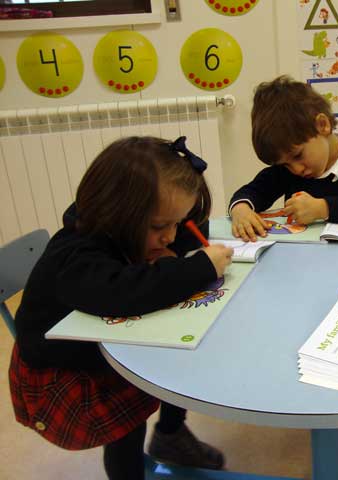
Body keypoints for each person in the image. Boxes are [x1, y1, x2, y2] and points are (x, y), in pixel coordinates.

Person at [9, 136, 234, 480]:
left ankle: (170, 435)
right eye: (159, 227)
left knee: (178, 349)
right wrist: (200, 267)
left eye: (177, 222)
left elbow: (189, 230)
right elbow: (125, 292)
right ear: (117, 212)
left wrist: (178, 238)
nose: (170, 237)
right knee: (132, 417)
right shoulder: (76, 255)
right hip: (62, 381)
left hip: (93, 351)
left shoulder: (121, 227)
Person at [229, 75, 338, 241]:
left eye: (298, 155)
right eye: (285, 164)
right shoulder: (286, 171)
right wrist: (240, 209)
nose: (296, 169)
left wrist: (322, 208)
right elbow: (253, 191)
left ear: (323, 125)